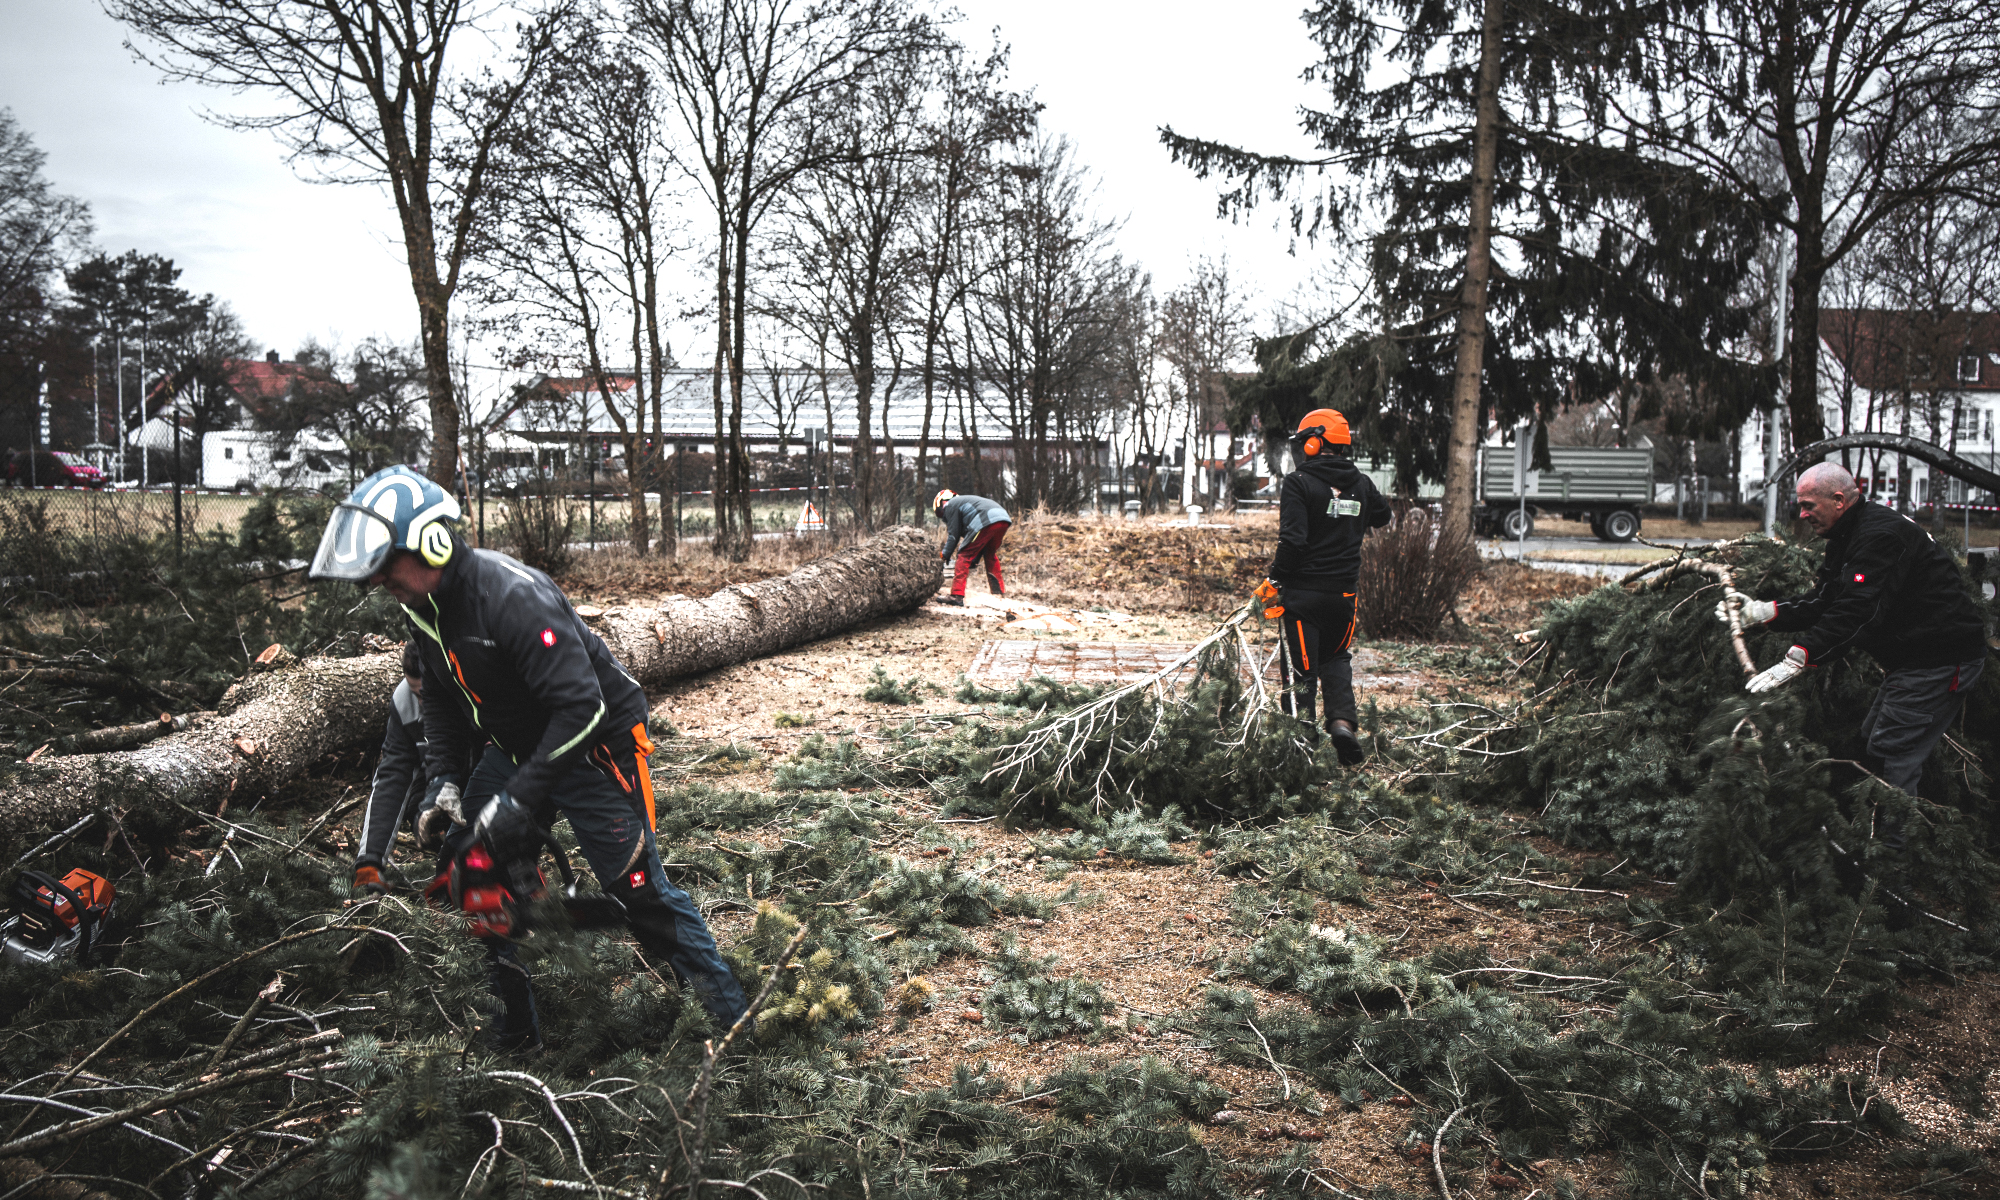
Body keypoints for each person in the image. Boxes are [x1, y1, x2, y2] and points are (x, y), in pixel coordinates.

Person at [310, 465, 749, 1049]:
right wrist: (444, 780)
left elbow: (583, 709)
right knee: (473, 874)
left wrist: (517, 801)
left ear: (432, 543)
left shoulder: (512, 597)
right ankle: (516, 1030)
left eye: (388, 568)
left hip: (596, 745)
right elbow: (439, 696)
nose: (380, 583)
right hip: (519, 745)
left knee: (640, 892)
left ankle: (730, 1025)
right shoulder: (425, 607)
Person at [1719, 461, 1987, 798]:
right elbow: (1825, 600)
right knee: (1872, 740)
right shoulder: (1846, 534)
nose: (1801, 514)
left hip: (1940, 661)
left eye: (1807, 505)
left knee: (1892, 753)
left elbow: (1856, 613)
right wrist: (1761, 612)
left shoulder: (1879, 536)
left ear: (1838, 500)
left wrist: (1800, 656)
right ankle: (1877, 830)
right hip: (1913, 661)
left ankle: (1891, 846)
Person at [1261, 408, 1392, 765]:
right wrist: (1349, 506)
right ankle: (1341, 723)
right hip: (1343, 598)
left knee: (1301, 671)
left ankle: (1300, 745)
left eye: (1305, 442)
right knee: (1336, 659)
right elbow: (1383, 516)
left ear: (1316, 443)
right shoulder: (1361, 483)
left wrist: (1274, 581)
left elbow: (1293, 542)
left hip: (1303, 599)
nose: (1302, 449)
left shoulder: (1299, 483)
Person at [349, 641, 436, 896]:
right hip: (435, 779)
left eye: (426, 695)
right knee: (419, 807)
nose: (422, 703)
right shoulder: (404, 701)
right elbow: (392, 775)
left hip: (481, 779)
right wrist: (370, 862)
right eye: (416, 694)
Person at [933, 489, 1010, 606]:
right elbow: (978, 542)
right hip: (1002, 518)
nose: (943, 516)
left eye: (940, 512)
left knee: (964, 554)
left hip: (986, 519)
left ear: (941, 502)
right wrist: (975, 560)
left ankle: (956, 596)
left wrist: (944, 555)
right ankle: (998, 593)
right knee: (990, 554)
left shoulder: (951, 505)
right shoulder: (964, 504)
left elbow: (953, 536)